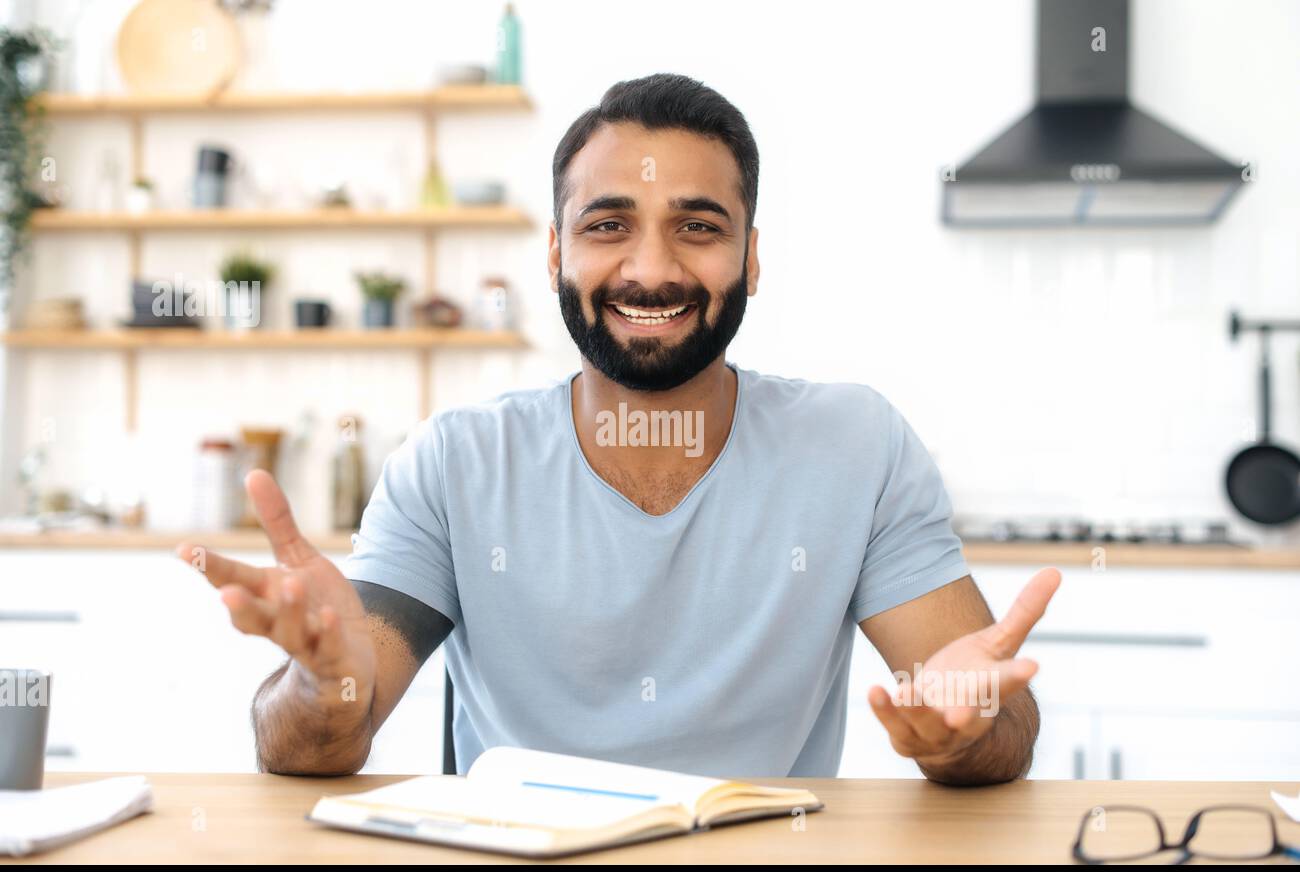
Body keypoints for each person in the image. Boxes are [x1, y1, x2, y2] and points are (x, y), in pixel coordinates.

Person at [177, 73, 1059, 782]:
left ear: (751, 259)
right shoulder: (456, 463)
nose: (651, 268)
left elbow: (996, 724)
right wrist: (323, 683)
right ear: (556, 252)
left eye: (698, 227)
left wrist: (963, 734)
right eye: (608, 226)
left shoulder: (855, 447)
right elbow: (319, 739)